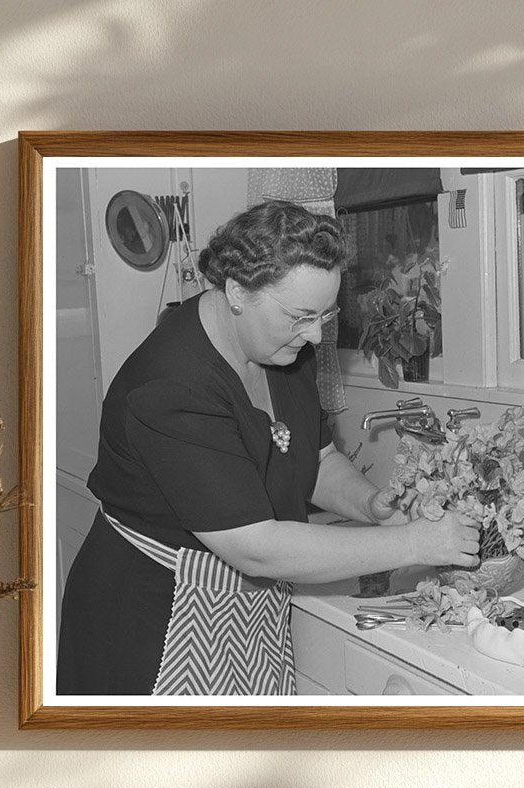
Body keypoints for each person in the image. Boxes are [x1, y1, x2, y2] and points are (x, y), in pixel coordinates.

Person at [57, 200, 478, 697]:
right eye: (301, 315)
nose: (316, 334)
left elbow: (316, 459)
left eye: (326, 315)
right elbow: (255, 548)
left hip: (243, 607)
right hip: (152, 619)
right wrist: (417, 542)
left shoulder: (282, 349)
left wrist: (371, 505)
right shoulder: (172, 385)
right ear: (237, 291)